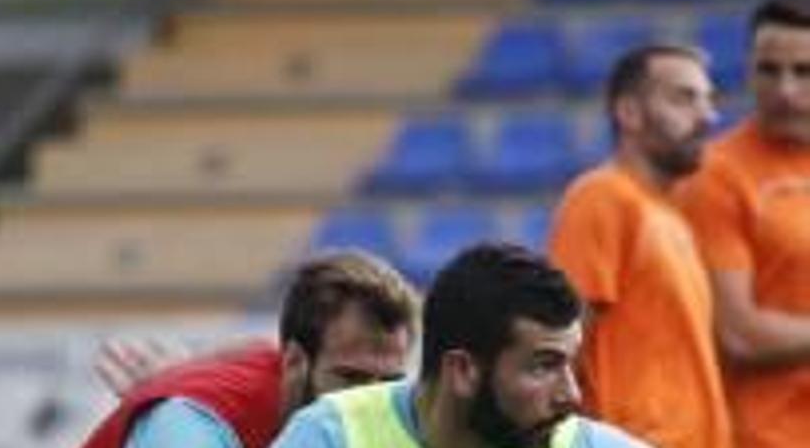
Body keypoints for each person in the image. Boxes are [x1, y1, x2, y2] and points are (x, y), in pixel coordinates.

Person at [271, 242, 651, 448]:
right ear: (463, 370)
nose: (571, 395)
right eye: (543, 365)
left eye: (569, 364)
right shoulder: (331, 435)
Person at [547, 44, 732, 448]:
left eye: (709, 100)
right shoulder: (600, 198)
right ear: (628, 112)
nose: (708, 116)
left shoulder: (671, 215)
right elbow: (558, 344)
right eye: (684, 98)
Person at [81, 249, 419, 448]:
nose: (370, 401)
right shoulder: (190, 425)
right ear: (295, 362)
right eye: (350, 379)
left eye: (388, 383)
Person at [677, 0, 810, 448]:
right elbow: (739, 334)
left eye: (803, 71)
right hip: (767, 436)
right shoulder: (718, 174)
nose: (785, 90)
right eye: (769, 71)